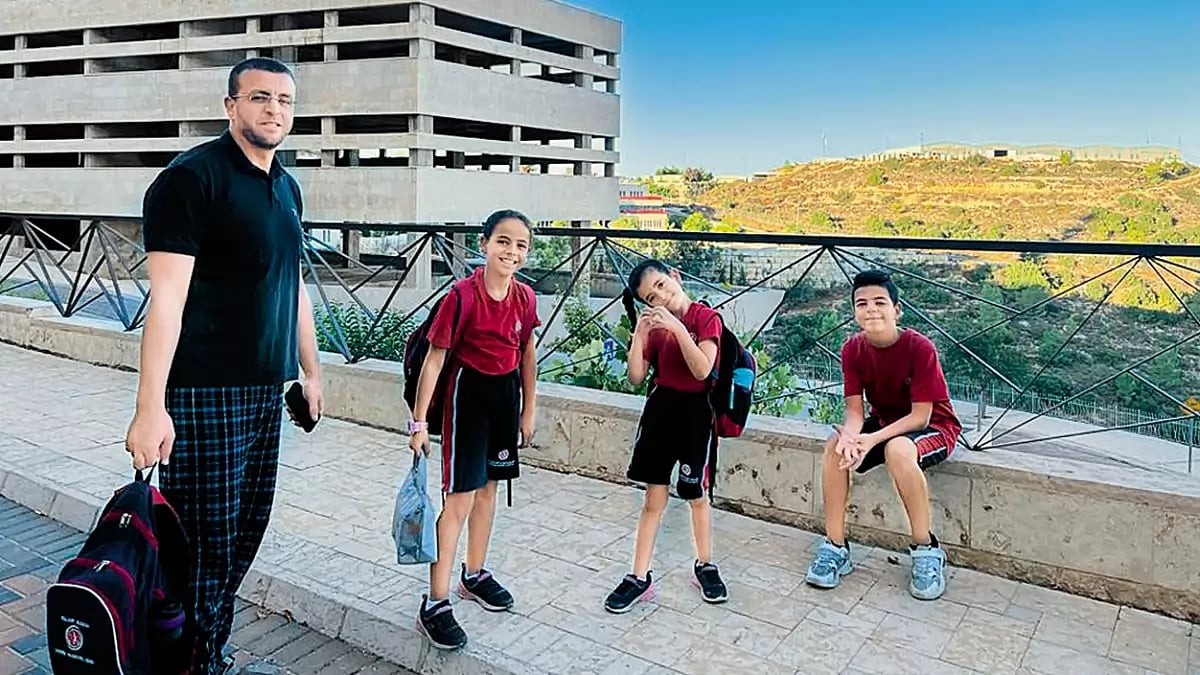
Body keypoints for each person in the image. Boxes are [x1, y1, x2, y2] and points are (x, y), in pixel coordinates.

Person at [124, 57, 323, 674]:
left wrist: (310, 372)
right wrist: (149, 407)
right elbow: (167, 304)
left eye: (285, 101)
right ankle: (193, 661)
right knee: (204, 547)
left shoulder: (285, 187)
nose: (274, 110)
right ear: (230, 105)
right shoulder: (191, 179)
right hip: (205, 392)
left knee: (242, 535)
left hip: (266, 392)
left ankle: (204, 650)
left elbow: (294, 287)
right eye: (259, 98)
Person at [408, 209, 540, 650]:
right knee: (460, 498)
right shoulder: (461, 297)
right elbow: (435, 360)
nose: (512, 251)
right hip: (468, 397)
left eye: (521, 244)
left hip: (505, 398)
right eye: (503, 241)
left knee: (488, 492)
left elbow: (526, 356)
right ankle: (436, 600)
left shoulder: (525, 298)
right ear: (483, 244)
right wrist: (420, 422)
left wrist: (528, 411)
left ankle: (475, 573)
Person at [805, 269, 961, 601]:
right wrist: (850, 436)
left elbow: (922, 415)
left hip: (933, 428)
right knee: (835, 447)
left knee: (899, 450)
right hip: (884, 424)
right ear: (854, 311)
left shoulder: (919, 347)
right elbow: (855, 412)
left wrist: (872, 440)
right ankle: (835, 546)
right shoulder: (853, 349)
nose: (871, 309)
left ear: (896, 309)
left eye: (880, 302)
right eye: (862, 303)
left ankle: (926, 549)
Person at [604, 259, 729, 614]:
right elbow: (636, 376)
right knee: (653, 497)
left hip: (696, 415)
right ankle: (638, 575)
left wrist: (675, 327)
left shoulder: (706, 318)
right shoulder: (655, 327)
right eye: (650, 296)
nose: (660, 295)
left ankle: (705, 564)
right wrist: (639, 335)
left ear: (674, 276)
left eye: (661, 284)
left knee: (696, 494)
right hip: (661, 412)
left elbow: (703, 369)